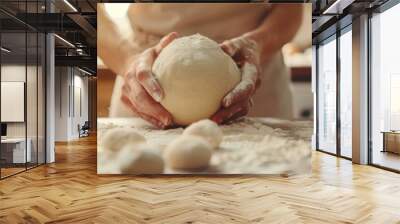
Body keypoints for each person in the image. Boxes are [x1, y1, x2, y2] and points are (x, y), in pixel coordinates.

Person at [98, 3, 303, 129]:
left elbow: (291, 6)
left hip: (251, 71)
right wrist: (127, 59)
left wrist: (259, 43)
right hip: (145, 79)